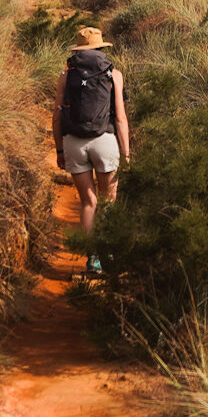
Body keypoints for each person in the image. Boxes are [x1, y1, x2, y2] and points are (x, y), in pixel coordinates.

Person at [54, 26, 131, 274]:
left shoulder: (66, 76)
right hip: (105, 140)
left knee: (88, 202)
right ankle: (108, 252)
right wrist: (126, 153)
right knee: (108, 200)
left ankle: (93, 259)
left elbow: (56, 117)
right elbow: (120, 118)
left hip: (74, 142)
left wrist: (60, 150)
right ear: (101, 48)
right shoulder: (113, 74)